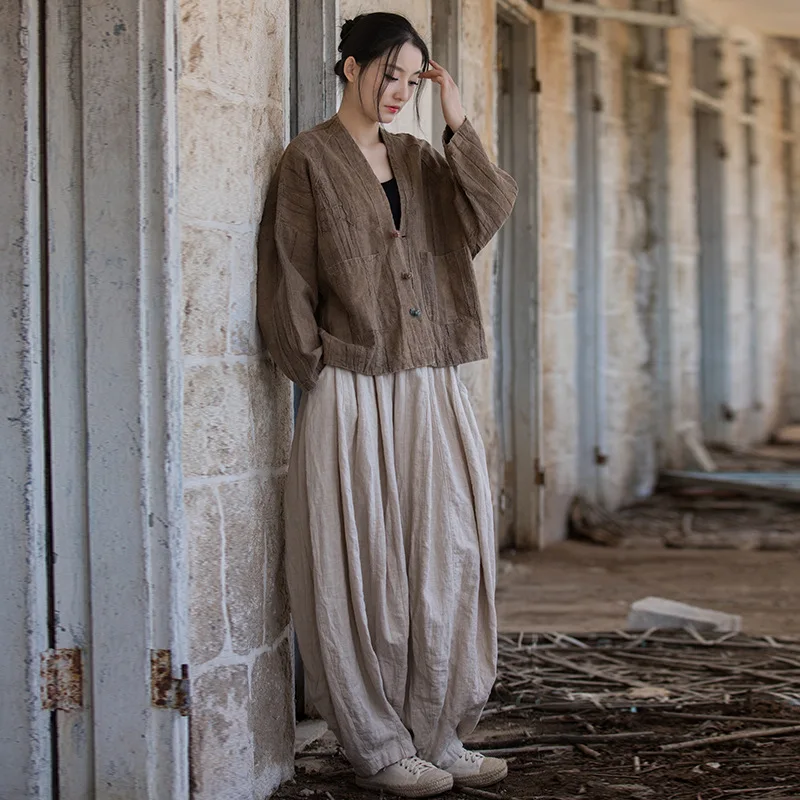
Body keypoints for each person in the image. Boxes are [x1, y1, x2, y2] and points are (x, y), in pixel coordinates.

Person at [257, 12, 517, 798]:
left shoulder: (419, 159)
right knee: (364, 567)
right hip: (353, 383)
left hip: (432, 378)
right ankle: (376, 745)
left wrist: (457, 119)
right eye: (388, 74)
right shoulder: (308, 159)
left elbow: (488, 209)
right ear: (351, 67)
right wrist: (320, 373)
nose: (400, 92)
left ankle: (439, 732)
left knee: (449, 552)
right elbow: (287, 275)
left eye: (412, 79)